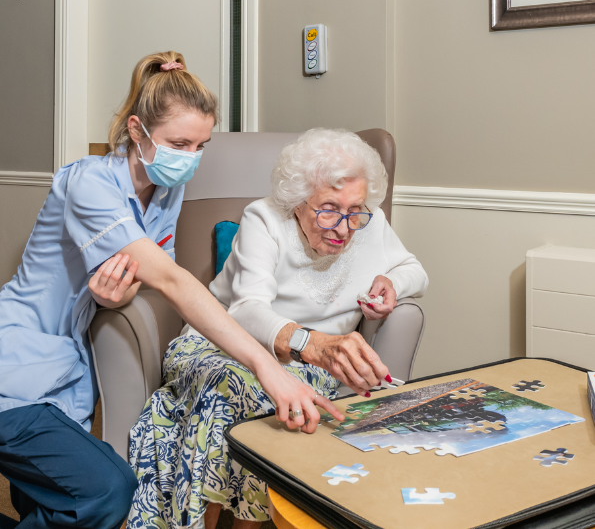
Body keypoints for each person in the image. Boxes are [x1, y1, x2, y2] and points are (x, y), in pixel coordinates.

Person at [0, 54, 341, 529]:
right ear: (137, 130)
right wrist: (266, 364)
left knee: (49, 503)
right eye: (179, 143)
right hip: (15, 362)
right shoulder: (89, 183)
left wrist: (110, 300)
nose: (191, 158)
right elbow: (174, 281)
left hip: (66, 372)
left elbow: (139, 281)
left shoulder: (164, 190)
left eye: (201, 145)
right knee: (104, 492)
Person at [128, 129, 428, 529]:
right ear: (297, 201)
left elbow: (415, 271)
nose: (343, 227)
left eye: (354, 209)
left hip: (308, 371)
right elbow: (248, 310)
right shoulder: (264, 218)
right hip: (218, 346)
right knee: (233, 387)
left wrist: (392, 284)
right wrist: (312, 343)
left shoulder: (369, 224)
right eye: (328, 209)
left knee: (263, 404)